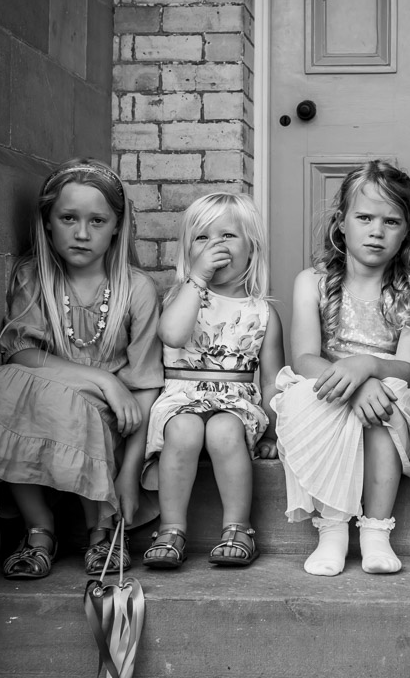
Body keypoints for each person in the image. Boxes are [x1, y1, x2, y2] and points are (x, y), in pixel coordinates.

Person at [0, 158, 163, 580]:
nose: (82, 233)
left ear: (117, 226)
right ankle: (39, 529)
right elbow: (20, 354)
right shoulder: (35, 277)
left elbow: (143, 387)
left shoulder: (136, 289)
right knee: (1, 384)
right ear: (48, 221)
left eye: (97, 221)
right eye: (68, 218)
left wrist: (129, 471)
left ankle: (102, 531)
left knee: (78, 406)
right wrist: (100, 378)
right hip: (52, 407)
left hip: (111, 421)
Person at [273, 161, 410, 577]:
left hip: (387, 389)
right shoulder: (312, 282)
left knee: (384, 405)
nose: (377, 230)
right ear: (341, 223)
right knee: (318, 396)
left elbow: (408, 368)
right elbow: (303, 359)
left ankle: (375, 531)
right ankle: (333, 530)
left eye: (391, 221)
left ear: (406, 230)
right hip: (327, 385)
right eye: (364, 218)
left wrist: (369, 366)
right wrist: (353, 385)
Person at [139, 193, 284, 570]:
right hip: (182, 398)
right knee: (184, 430)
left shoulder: (261, 312)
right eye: (202, 238)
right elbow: (171, 335)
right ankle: (171, 528)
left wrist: (271, 434)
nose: (214, 246)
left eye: (227, 236)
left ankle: (238, 527)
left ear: (251, 249)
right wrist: (197, 280)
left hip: (236, 404)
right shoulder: (181, 297)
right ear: (188, 251)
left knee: (222, 431)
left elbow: (271, 381)